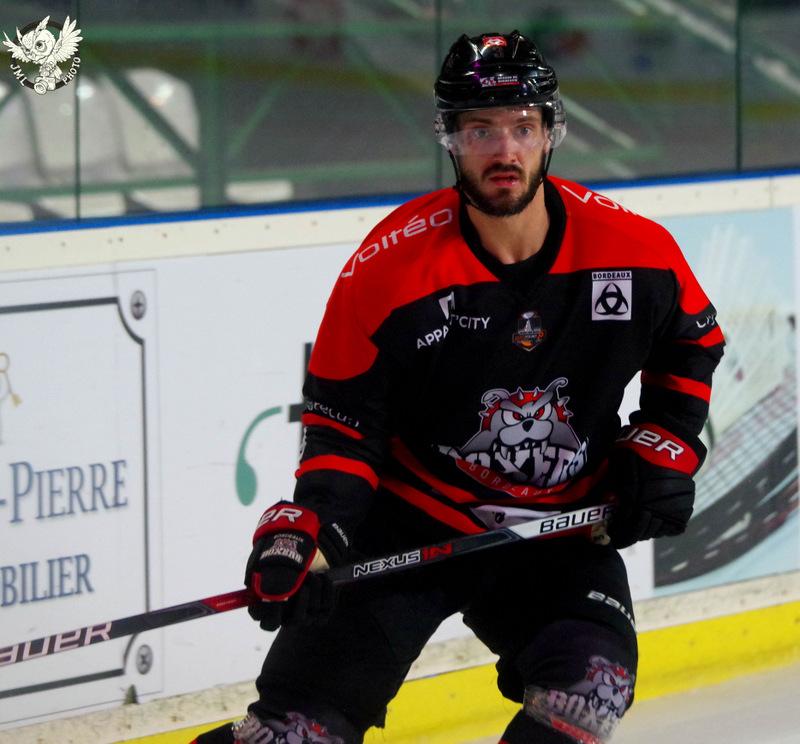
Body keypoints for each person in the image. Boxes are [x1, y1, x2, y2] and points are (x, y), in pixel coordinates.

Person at [195, 30, 724, 744]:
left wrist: (665, 445)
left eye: (522, 127)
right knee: (293, 735)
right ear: (449, 138)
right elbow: (343, 426)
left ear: (550, 134)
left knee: (588, 693)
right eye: (480, 130)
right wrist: (313, 530)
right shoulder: (388, 270)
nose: (504, 151)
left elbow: (694, 343)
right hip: (408, 523)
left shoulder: (635, 252)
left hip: (554, 534)